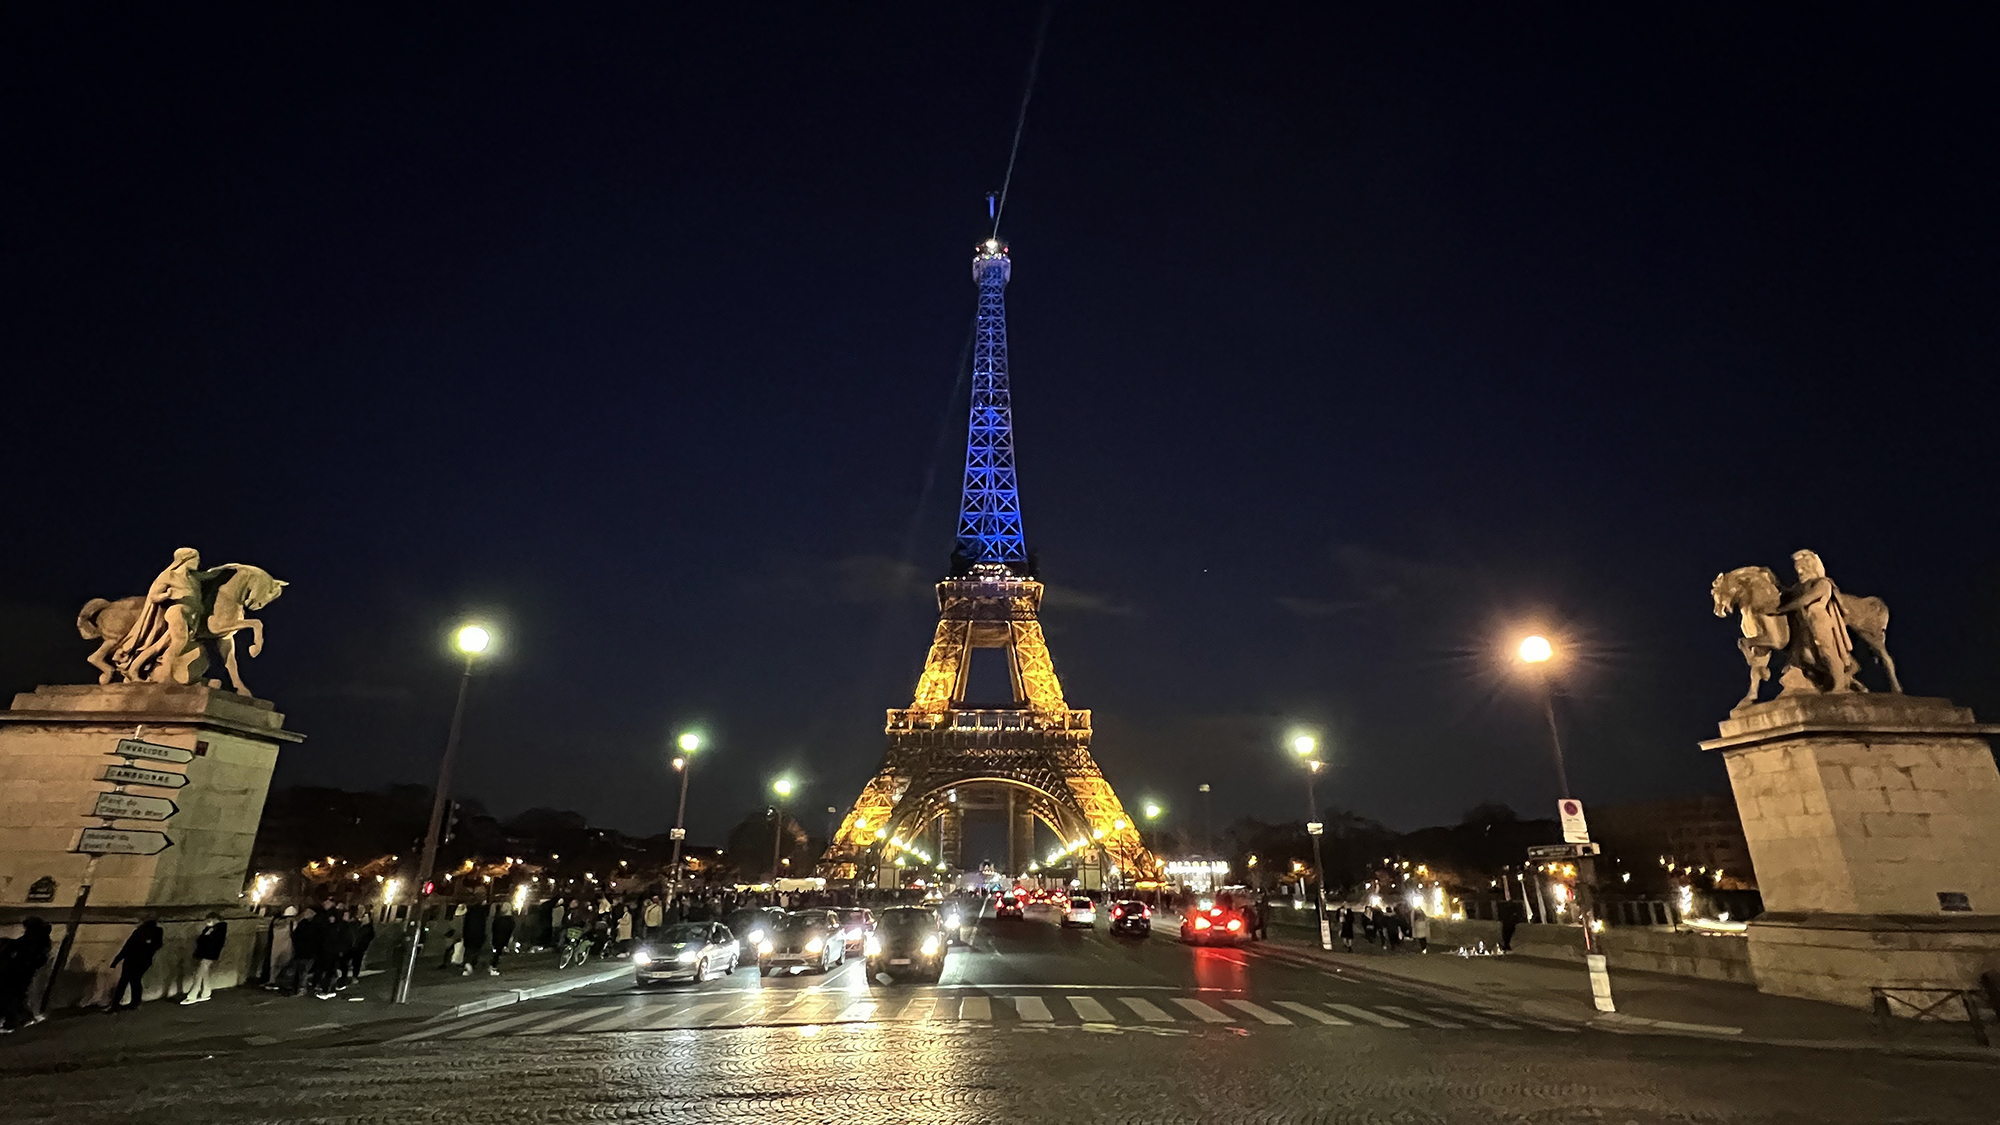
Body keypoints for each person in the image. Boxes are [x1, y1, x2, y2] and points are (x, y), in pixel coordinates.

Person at [0, 917, 53, 1032]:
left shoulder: (36, 940)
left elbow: (25, 951)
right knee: (14, 995)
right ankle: (19, 1019)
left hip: (19, 973)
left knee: (11, 995)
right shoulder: (36, 939)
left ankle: (21, 1019)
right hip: (18, 972)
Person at [109, 917, 164, 1010]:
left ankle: (117, 1004)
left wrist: (116, 960)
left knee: (126, 981)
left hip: (132, 960)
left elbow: (127, 947)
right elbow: (156, 945)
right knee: (134, 981)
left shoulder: (140, 932)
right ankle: (134, 1002)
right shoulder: (154, 932)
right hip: (141, 961)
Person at [181, 913, 228, 1004]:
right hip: (206, 953)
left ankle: (192, 995)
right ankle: (206, 992)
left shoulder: (219, 929)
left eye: (208, 920)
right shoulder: (211, 929)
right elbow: (200, 940)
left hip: (209, 954)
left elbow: (214, 943)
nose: (207, 922)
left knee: (199, 974)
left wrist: (208, 935)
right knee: (204, 974)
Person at [460, 900, 490, 976]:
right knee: (475, 951)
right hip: (478, 935)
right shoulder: (481, 915)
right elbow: (483, 926)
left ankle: (467, 964)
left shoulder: (469, 914)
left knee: (469, 950)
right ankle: (472, 964)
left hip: (469, 935)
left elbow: (465, 926)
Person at [489, 907, 515, 975]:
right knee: (498, 952)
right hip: (503, 938)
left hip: (497, 938)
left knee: (498, 951)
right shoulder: (510, 920)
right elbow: (510, 930)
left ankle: (493, 965)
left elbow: (493, 928)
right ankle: (493, 966)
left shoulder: (497, 919)